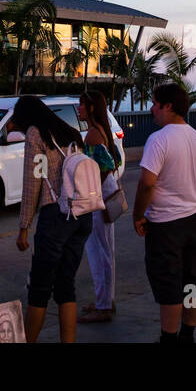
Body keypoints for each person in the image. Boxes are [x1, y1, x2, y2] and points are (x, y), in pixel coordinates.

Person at [134, 83, 196, 344]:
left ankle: (168, 337)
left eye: (155, 103)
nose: (151, 109)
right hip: (193, 220)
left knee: (169, 283)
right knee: (191, 280)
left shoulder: (159, 139)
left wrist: (138, 215)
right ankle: (187, 333)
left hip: (165, 224)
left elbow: (147, 183)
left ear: (168, 106)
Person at [12, 95, 92, 343]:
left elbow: (32, 182)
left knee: (39, 290)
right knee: (66, 285)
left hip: (56, 215)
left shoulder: (36, 134)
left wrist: (24, 227)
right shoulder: (70, 132)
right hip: (81, 215)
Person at [77, 90, 121, 324]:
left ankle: (103, 306)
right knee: (106, 250)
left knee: (97, 252)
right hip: (106, 193)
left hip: (98, 196)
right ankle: (105, 300)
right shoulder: (104, 132)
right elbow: (116, 162)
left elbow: (98, 168)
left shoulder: (92, 135)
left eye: (82, 105)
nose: (79, 109)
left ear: (92, 108)